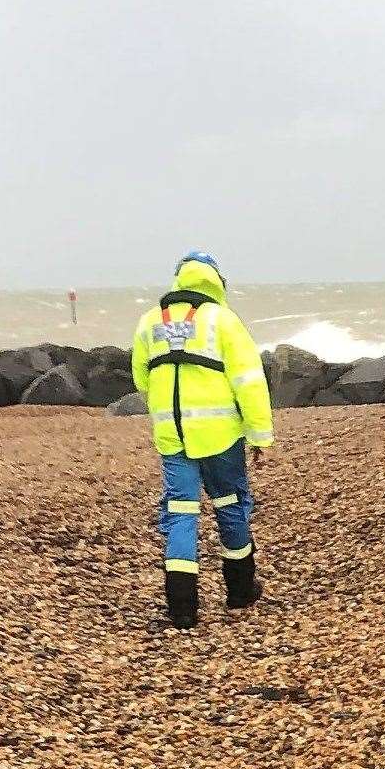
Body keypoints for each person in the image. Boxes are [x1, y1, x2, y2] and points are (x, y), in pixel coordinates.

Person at [130, 252, 275, 628]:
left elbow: (142, 380)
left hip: (172, 435)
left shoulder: (150, 322)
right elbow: (249, 381)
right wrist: (260, 434)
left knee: (180, 512)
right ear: (217, 281)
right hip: (221, 435)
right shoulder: (223, 321)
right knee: (230, 503)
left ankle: (182, 608)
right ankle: (240, 590)